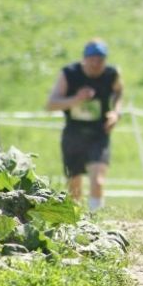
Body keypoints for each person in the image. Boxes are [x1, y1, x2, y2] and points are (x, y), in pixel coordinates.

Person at [45, 39, 124, 212]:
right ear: (84, 59)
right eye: (92, 60)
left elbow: (119, 91)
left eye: (100, 60)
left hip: (99, 133)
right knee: (74, 186)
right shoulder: (69, 74)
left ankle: (96, 219)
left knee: (98, 181)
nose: (96, 64)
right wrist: (76, 99)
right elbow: (51, 104)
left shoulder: (112, 74)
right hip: (74, 134)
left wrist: (116, 113)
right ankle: (77, 223)